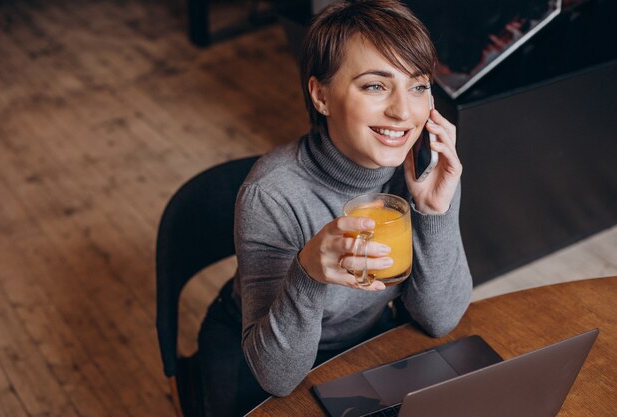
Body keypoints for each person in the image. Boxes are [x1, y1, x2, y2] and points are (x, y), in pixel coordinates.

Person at [197, 1, 472, 416]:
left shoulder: (424, 171)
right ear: (321, 95)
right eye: (375, 86)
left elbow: (440, 319)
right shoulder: (272, 194)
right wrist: (307, 273)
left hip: (364, 335)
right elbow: (277, 376)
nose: (403, 111)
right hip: (261, 347)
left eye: (418, 86)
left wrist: (435, 210)